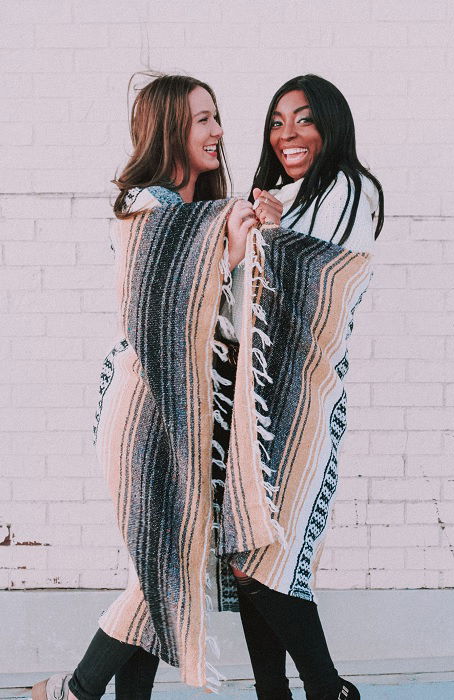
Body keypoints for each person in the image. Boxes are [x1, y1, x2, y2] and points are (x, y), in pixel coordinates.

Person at [31, 72, 254, 700]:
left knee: (161, 565)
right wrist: (231, 246)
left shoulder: (193, 214)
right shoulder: (146, 206)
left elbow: (226, 319)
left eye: (217, 115)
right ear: (169, 129)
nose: (217, 130)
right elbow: (159, 309)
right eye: (202, 118)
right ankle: (76, 691)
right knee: (165, 568)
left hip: (185, 406)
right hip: (145, 407)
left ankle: (83, 693)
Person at [217, 74, 384, 700]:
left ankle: (327, 689)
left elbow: (306, 276)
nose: (288, 134)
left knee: (265, 561)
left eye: (304, 119)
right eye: (277, 121)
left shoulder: (347, 187)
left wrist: (259, 231)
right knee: (249, 554)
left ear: (331, 125)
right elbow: (239, 300)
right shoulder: (283, 198)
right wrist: (260, 224)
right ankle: (276, 693)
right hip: (257, 401)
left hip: (302, 399)